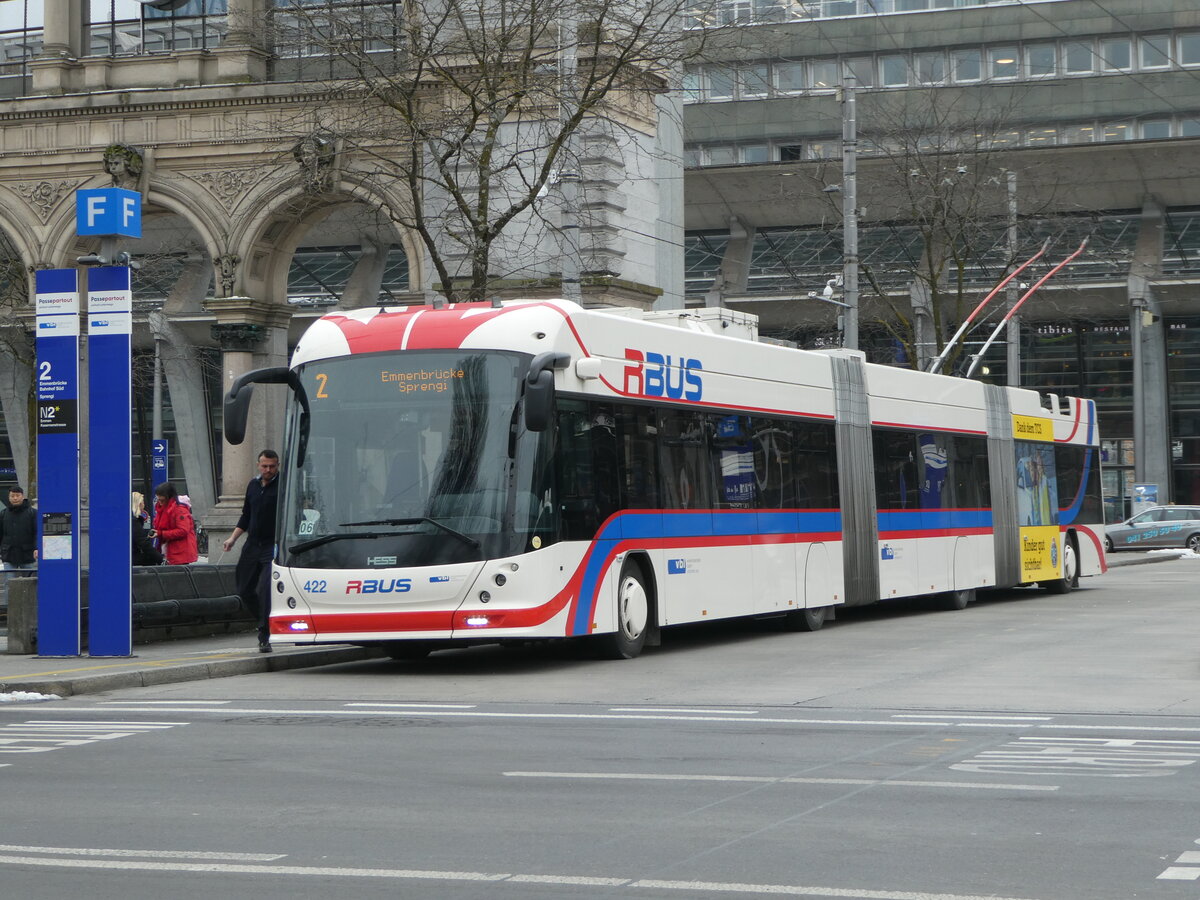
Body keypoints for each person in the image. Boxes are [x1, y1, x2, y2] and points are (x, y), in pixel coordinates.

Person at [223, 450, 280, 653]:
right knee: (244, 589)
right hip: (252, 543)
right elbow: (246, 515)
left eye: (272, 466)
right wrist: (232, 538)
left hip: (271, 545)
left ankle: (265, 635)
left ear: (277, 465)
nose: (268, 470)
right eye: (264, 466)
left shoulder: (283, 486)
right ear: (258, 465)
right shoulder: (253, 485)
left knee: (264, 590)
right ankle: (265, 620)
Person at [151, 482, 199, 565]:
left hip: (179, 553)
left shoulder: (179, 510)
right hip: (171, 551)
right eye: (158, 500)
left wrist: (161, 533)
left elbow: (183, 531)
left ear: (169, 498)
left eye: (162, 500)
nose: (160, 503)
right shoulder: (165, 509)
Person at [0, 485, 38, 571]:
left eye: (17, 495)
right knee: (8, 582)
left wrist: (37, 548)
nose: (15, 498)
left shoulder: (32, 513)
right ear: (9, 498)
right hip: (8, 554)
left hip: (27, 554)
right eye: (12, 496)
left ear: (23, 496)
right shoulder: (3, 514)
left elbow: (37, 532)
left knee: (29, 582)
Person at [132, 491, 161, 566]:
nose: (144, 505)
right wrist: (160, 559)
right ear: (140, 504)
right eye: (143, 503)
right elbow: (143, 543)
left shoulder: (129, 520)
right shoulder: (134, 521)